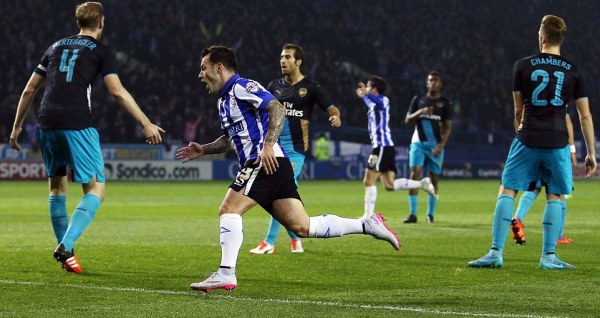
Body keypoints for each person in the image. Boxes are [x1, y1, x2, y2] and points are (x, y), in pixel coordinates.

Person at [177, 45, 400, 292]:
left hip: (263, 161)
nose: (200, 75)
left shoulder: (242, 86)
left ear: (218, 67)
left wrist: (269, 145)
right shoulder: (224, 101)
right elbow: (232, 139)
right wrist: (204, 150)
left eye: (203, 68)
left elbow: (277, 108)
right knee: (302, 227)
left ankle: (226, 273)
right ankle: (367, 224)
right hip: (275, 165)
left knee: (228, 209)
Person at [8, 1, 164, 273]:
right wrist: (146, 122)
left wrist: (17, 127)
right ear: (101, 23)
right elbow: (116, 91)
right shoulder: (102, 51)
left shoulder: (55, 47)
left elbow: (29, 90)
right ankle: (66, 245)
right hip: (77, 122)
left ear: (78, 22)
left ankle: (66, 256)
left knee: (56, 189)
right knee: (96, 189)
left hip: (46, 121)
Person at [468, 15, 596, 270]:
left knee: (507, 190)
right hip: (557, 141)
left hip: (527, 138)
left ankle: (495, 252)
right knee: (555, 196)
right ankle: (548, 257)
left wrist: (521, 134)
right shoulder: (573, 71)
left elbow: (518, 111)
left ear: (543, 37)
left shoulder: (522, 66)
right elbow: (584, 116)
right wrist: (590, 152)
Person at [249, 43, 341, 255]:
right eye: (281, 56)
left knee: (276, 188)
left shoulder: (310, 88)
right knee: (284, 194)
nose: (283, 60)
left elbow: (331, 106)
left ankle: (269, 242)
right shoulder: (273, 86)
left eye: (288, 57)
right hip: (275, 148)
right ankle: (296, 238)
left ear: (298, 61)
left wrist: (335, 115)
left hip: (296, 150)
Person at [355, 76, 437, 221]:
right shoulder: (373, 102)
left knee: (368, 181)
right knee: (389, 185)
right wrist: (363, 96)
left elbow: (377, 102)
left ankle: (367, 217)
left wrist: (366, 94)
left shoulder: (383, 100)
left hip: (382, 147)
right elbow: (371, 102)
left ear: (374, 89)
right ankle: (422, 184)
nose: (366, 88)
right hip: (385, 148)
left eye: (368, 86)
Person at [510, 113, 577, 245]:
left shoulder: (528, 94)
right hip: (554, 146)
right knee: (558, 191)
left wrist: (522, 143)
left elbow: (518, 115)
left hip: (532, 145)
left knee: (534, 187)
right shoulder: (557, 93)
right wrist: (572, 150)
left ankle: (518, 218)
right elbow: (567, 120)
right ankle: (559, 235)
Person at [403, 71, 453, 223]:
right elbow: (407, 120)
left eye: (436, 81)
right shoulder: (418, 100)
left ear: (440, 84)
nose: (433, 83)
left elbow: (447, 127)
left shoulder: (445, 103)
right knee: (414, 175)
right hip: (418, 142)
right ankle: (412, 214)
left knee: (433, 180)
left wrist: (441, 146)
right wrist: (420, 112)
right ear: (427, 83)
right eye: (430, 80)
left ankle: (430, 214)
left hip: (435, 147)